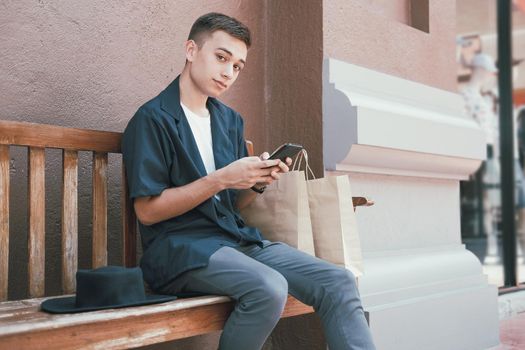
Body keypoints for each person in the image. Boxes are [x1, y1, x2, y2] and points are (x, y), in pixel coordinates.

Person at [122, 12, 375, 350]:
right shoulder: (152, 118)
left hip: (236, 240)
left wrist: (257, 182)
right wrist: (222, 178)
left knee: (338, 280)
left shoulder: (229, 121)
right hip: (180, 250)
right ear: (191, 50)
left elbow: (234, 204)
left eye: (238, 66)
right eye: (221, 57)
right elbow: (148, 211)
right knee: (268, 287)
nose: (228, 73)